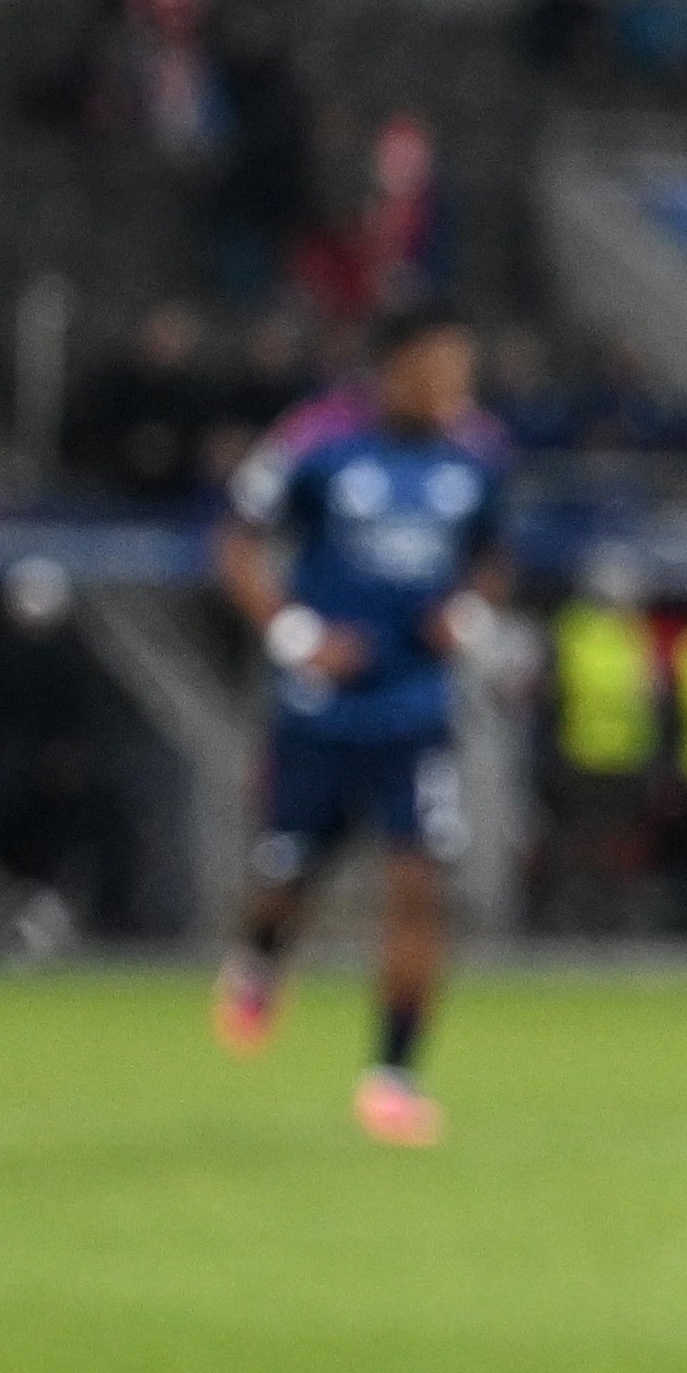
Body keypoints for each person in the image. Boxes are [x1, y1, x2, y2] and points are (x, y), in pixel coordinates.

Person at [212, 293, 509, 1143]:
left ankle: (393, 1077)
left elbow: (492, 556)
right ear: (395, 366)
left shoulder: (478, 453)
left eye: (462, 366)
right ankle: (260, 959)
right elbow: (236, 542)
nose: (455, 383)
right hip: (322, 710)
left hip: (416, 709)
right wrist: (295, 633)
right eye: (440, 366)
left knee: (418, 886)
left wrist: (467, 615)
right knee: (287, 881)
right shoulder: (317, 441)